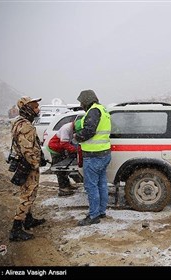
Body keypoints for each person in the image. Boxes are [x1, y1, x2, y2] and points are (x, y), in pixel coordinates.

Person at [9, 96, 46, 241]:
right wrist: (36, 163)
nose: (38, 109)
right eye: (35, 107)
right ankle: (16, 228)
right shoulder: (26, 126)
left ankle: (28, 219)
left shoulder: (19, 122)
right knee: (27, 195)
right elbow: (28, 150)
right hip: (28, 165)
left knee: (28, 193)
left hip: (24, 163)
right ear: (27, 108)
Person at [74, 89, 111, 226]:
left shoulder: (93, 111)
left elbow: (89, 130)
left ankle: (93, 215)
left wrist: (77, 136)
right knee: (101, 184)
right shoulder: (103, 110)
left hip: (94, 155)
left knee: (91, 186)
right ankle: (101, 211)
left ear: (86, 101)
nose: (81, 105)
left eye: (81, 102)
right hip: (104, 154)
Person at [47, 120, 80, 196]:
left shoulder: (71, 128)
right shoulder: (66, 129)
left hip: (60, 148)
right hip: (54, 148)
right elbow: (64, 143)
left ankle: (67, 184)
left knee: (65, 169)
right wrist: (75, 150)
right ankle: (63, 188)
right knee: (60, 169)